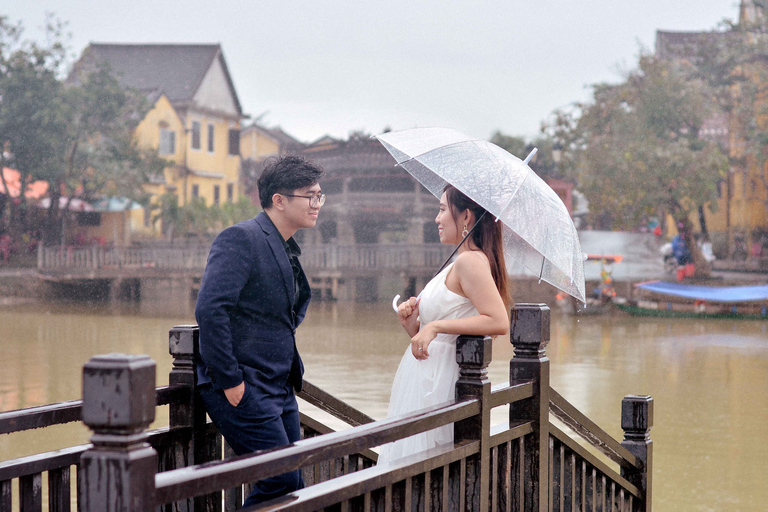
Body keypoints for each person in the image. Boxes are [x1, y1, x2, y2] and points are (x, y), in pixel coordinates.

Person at [194, 155, 324, 507]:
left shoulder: (286, 247)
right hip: (244, 386)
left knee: (291, 481)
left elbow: (285, 314)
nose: (317, 204)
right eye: (309, 196)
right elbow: (210, 309)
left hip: (279, 385)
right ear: (279, 200)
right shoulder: (241, 238)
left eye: (319, 195)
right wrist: (230, 381)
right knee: (280, 479)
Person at [377, 184, 510, 465]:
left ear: (466, 218)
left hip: (440, 379)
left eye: (441, 210)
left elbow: (498, 320)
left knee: (424, 465)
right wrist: (413, 325)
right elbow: (435, 335)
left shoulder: (471, 262)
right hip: (426, 373)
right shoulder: (458, 261)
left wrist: (435, 326)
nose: (436, 219)